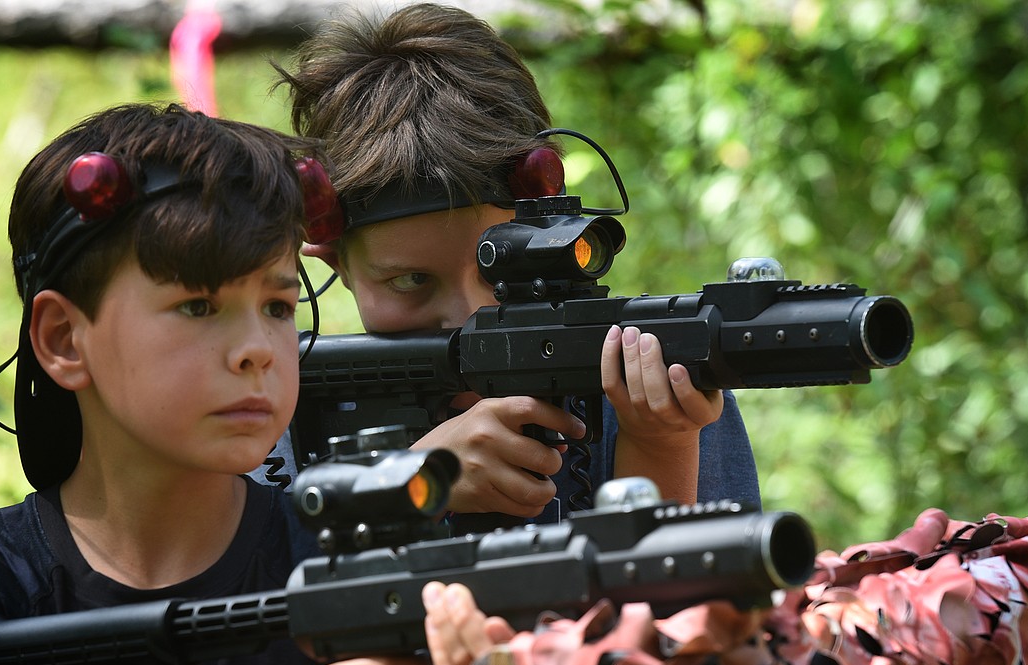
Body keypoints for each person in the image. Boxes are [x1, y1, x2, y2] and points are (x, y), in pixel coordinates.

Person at [0, 102, 491, 665]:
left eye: (276, 306)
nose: (256, 351)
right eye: (199, 306)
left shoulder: (350, 551)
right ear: (64, 339)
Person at [258, 3, 761, 526]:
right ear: (334, 262)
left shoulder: (658, 380)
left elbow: (700, 606)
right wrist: (413, 482)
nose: (468, 313)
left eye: (500, 272)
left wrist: (661, 443)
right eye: (410, 281)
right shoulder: (272, 407)